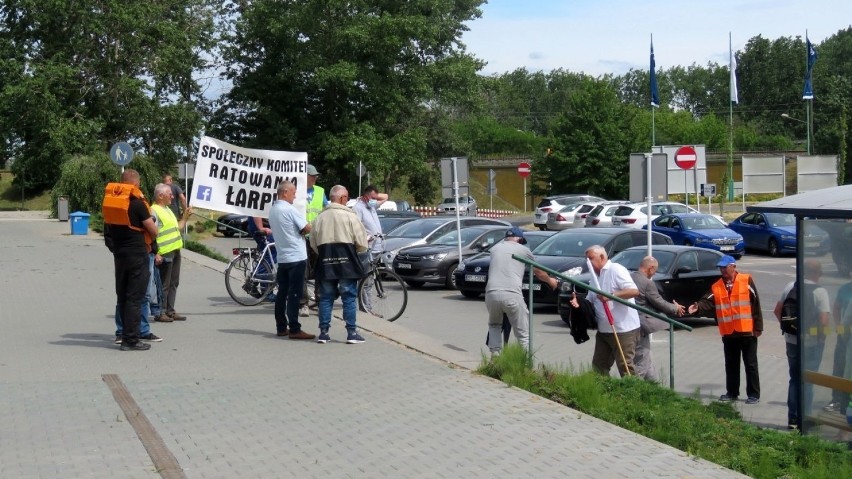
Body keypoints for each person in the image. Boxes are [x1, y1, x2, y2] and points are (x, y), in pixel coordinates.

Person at [689, 255, 763, 404]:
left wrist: (758, 327)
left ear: (733, 266)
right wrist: (697, 308)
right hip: (729, 332)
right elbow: (707, 301)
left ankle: (753, 394)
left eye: (725, 267)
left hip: (747, 331)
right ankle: (732, 392)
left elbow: (756, 304)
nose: (722, 270)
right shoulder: (717, 286)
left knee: (751, 364)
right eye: (720, 267)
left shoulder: (746, 280)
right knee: (731, 364)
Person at [104, 169, 159, 351]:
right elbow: (153, 230)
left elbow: (108, 231)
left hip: (119, 255)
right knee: (135, 297)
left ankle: (122, 334)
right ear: (135, 184)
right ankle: (131, 340)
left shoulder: (112, 205)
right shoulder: (137, 204)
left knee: (123, 296)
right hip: (137, 255)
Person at [774, 259, 831, 429]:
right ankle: (805, 417)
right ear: (816, 274)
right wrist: (822, 338)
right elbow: (824, 321)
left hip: (791, 341)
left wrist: (789, 329)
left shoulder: (790, 286)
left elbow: (777, 311)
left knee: (794, 379)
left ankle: (792, 419)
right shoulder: (820, 291)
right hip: (812, 343)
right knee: (808, 379)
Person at [309, 185, 369, 344]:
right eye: (347, 198)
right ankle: (351, 333)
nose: (347, 200)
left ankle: (323, 333)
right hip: (347, 265)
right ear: (342, 199)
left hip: (326, 263)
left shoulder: (319, 218)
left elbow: (313, 243)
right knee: (348, 297)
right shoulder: (350, 217)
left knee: (326, 298)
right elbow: (362, 243)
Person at [485, 227, 557, 356]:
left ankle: (494, 359)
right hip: (512, 294)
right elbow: (539, 272)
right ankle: (525, 363)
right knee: (523, 333)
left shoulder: (495, 248)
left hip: (491, 294)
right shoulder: (524, 250)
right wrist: (551, 282)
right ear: (519, 239)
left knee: (494, 325)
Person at [582, 245, 641, 377]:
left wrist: (611, 295)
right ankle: (603, 393)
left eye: (590, 258)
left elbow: (633, 291)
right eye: (586, 259)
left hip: (623, 329)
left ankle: (634, 394)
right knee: (599, 366)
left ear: (602, 257)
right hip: (604, 330)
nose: (588, 262)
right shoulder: (594, 277)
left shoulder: (616, 269)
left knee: (625, 366)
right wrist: (578, 304)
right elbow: (590, 300)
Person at [268, 180, 315, 340]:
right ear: (285, 192)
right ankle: (295, 328)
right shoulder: (289, 209)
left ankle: (281, 327)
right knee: (295, 294)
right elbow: (306, 228)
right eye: (293, 193)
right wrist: (311, 226)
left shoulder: (273, 209)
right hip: (296, 256)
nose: (295, 196)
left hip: (283, 257)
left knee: (282, 292)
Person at [630, 256, 684, 381]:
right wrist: (675, 308)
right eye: (655, 270)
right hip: (640, 325)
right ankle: (631, 389)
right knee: (642, 359)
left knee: (646, 357)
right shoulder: (647, 283)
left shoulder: (631, 277)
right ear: (651, 268)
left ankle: (653, 385)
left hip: (631, 323)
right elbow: (658, 302)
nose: (655, 273)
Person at [151, 183, 192, 322]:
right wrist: (155, 252)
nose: (172, 196)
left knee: (174, 282)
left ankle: (170, 310)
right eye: (170, 194)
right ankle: (160, 312)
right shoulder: (154, 211)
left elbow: (177, 228)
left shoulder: (168, 209)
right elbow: (151, 234)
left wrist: (185, 217)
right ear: (160, 196)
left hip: (175, 250)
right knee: (164, 284)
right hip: (164, 253)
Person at [302, 164, 328, 316]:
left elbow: (326, 208)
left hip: (317, 236)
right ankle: (303, 304)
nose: (315, 178)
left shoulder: (320, 191)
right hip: (302, 236)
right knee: (303, 271)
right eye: (312, 175)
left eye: (316, 176)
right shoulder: (297, 192)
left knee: (320, 270)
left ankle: (318, 301)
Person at [824, 279, 852, 415]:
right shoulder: (845, 289)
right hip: (845, 337)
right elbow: (837, 308)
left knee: (847, 370)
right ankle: (837, 399)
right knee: (839, 366)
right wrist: (839, 328)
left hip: (848, 338)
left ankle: (844, 403)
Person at [353, 184, 389, 255]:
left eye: (376, 198)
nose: (375, 200)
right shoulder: (358, 208)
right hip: (368, 248)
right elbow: (355, 228)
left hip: (378, 247)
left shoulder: (372, 206)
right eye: (373, 198)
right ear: (366, 197)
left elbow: (386, 196)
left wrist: (375, 196)